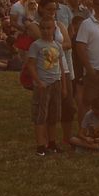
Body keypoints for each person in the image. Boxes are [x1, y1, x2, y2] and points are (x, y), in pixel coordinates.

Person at [25, 17, 68, 156]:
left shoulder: (57, 46)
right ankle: (40, 145)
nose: (45, 31)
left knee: (53, 116)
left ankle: (52, 143)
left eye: (48, 28)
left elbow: (61, 66)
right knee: (40, 115)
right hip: (43, 84)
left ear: (53, 29)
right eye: (42, 28)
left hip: (56, 82)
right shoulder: (36, 45)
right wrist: (38, 81)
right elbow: (30, 65)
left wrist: (63, 86)